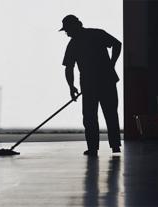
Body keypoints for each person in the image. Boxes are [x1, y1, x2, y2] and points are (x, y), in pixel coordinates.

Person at [60, 15, 122, 156]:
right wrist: (111, 65)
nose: (67, 33)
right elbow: (117, 44)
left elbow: (69, 68)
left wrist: (71, 86)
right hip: (106, 81)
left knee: (90, 116)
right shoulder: (97, 33)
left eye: (67, 30)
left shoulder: (74, 44)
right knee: (110, 113)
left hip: (90, 84)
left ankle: (93, 148)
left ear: (74, 27)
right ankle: (115, 145)